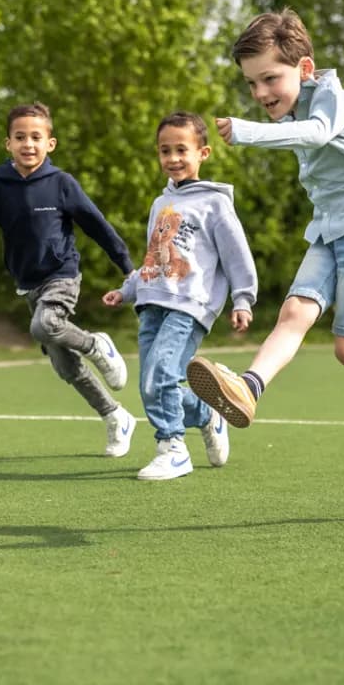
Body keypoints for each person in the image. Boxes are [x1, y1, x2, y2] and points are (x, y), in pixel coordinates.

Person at [184, 9, 344, 501]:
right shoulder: (294, 109)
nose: (261, 93)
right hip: (330, 231)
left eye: (270, 78)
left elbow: (315, 133)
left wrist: (247, 131)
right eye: (252, 83)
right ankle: (248, 387)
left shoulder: (332, 99)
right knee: (292, 313)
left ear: (305, 69)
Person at [0, 102, 139, 457]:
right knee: (66, 367)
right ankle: (115, 416)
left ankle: (96, 345)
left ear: (51, 143)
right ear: (8, 144)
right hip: (28, 284)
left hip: (62, 275)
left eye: (35, 137)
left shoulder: (61, 184)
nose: (28, 144)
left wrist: (127, 267)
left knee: (45, 324)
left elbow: (98, 226)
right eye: (20, 137)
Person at [101, 111, 258, 480]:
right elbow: (154, 257)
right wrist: (127, 290)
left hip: (189, 306)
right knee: (152, 385)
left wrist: (243, 298)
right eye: (164, 150)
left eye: (181, 150)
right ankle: (206, 414)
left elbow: (237, 255)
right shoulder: (161, 204)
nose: (172, 158)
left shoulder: (215, 203)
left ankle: (172, 448)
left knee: (161, 376)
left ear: (203, 153)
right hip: (151, 304)